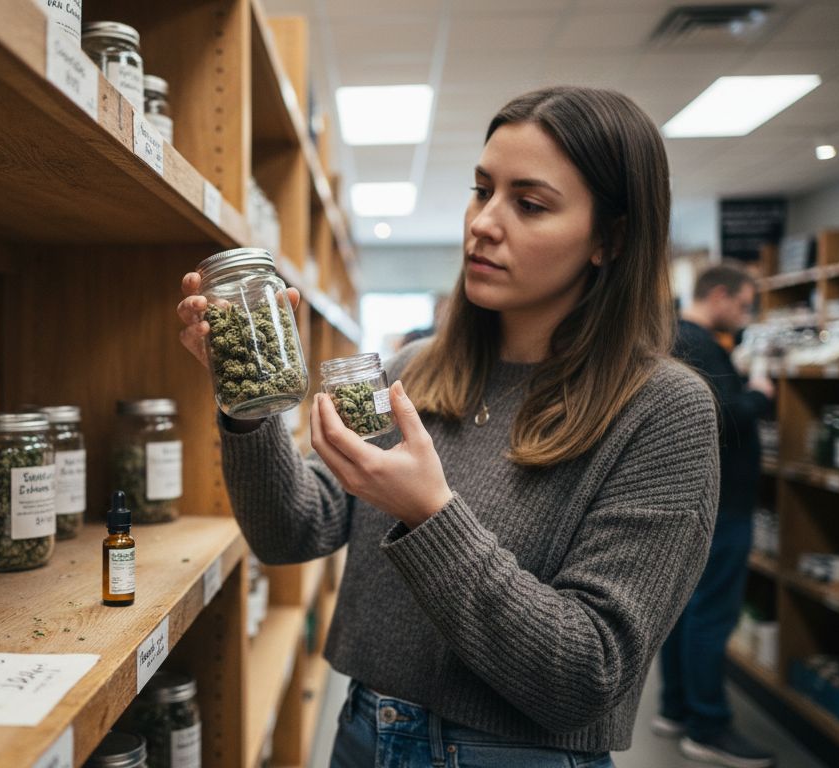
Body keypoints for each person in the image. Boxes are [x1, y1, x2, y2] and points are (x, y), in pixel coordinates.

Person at [178, 86, 720, 767]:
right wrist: (244, 401)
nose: (484, 223)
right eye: (481, 190)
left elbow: (590, 674)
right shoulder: (413, 369)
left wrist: (430, 514)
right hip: (364, 732)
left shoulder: (664, 410)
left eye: (529, 204)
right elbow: (290, 530)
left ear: (608, 240)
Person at [655, 263, 775, 768]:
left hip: (701, 499)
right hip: (721, 503)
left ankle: (676, 707)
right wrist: (759, 395)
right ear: (720, 295)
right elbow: (722, 417)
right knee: (711, 613)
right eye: (744, 305)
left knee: (686, 607)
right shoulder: (700, 343)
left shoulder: (681, 337)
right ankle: (708, 722)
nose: (744, 315)